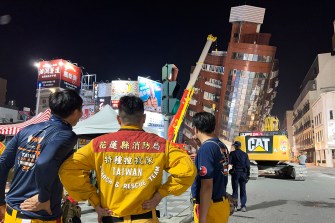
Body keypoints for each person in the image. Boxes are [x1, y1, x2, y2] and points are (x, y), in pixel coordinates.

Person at [59, 95, 196, 223]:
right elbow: (188, 171)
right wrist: (161, 194)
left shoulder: (98, 145)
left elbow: (68, 169)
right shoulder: (160, 145)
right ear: (144, 118)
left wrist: (95, 200)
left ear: (119, 119)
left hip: (110, 217)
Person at [0, 89, 83, 223]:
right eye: (80, 110)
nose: (81, 114)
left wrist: (0, 202)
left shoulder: (26, 130)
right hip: (36, 216)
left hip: (13, 212)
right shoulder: (66, 134)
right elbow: (44, 162)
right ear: (74, 111)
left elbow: (2, 163)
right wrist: (43, 198)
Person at [191, 112, 230, 223]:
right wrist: (201, 147)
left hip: (209, 208)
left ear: (196, 129)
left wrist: (202, 219)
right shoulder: (221, 145)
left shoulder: (207, 149)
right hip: (220, 205)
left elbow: (207, 185)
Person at [229, 141, 250, 212]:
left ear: (235, 146)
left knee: (235, 190)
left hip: (235, 173)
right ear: (240, 146)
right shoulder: (245, 154)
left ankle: (235, 206)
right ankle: (243, 206)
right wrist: (248, 175)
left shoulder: (232, 153)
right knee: (243, 190)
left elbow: (229, 162)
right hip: (243, 173)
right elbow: (248, 166)